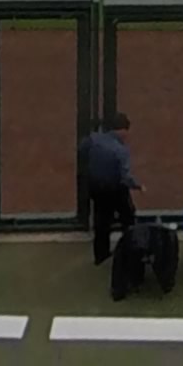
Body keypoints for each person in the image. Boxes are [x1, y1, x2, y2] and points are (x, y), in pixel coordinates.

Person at [78, 111, 141, 265]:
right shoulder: (121, 150)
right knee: (128, 217)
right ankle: (130, 250)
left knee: (101, 220)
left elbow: (81, 149)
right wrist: (137, 185)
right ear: (123, 130)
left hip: (96, 187)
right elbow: (125, 177)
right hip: (115, 188)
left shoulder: (93, 139)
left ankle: (101, 255)